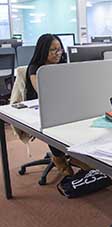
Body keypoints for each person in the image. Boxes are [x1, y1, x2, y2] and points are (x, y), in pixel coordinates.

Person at [26, 34, 89, 176]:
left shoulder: (63, 63)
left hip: (64, 104)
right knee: (56, 122)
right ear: (43, 51)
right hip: (40, 109)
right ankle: (58, 157)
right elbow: (41, 92)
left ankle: (75, 155)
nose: (58, 53)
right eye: (53, 50)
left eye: (59, 49)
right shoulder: (35, 68)